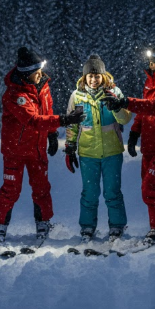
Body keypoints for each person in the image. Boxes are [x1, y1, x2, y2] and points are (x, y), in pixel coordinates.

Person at [0, 47, 85, 244]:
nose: (41, 74)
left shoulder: (43, 86)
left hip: (37, 148)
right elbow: (32, 120)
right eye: (37, 72)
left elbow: (47, 110)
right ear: (26, 73)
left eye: (41, 70)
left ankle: (43, 222)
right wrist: (64, 120)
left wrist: (52, 134)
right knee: (11, 189)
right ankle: (0, 224)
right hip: (15, 150)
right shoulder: (14, 94)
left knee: (41, 188)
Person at [102, 43, 155, 246]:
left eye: (153, 61)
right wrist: (135, 133)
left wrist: (125, 102)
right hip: (151, 144)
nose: (150, 64)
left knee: (152, 187)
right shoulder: (151, 82)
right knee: (151, 185)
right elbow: (144, 110)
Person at [63, 55, 132, 243]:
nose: (93, 79)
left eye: (97, 76)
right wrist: (70, 147)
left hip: (112, 152)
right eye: (90, 76)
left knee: (112, 191)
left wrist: (117, 107)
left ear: (103, 76)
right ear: (84, 77)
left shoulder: (114, 92)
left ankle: (117, 226)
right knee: (89, 193)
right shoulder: (77, 96)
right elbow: (72, 124)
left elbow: (125, 119)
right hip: (88, 153)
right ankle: (87, 227)